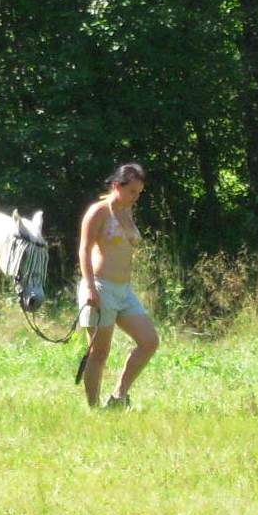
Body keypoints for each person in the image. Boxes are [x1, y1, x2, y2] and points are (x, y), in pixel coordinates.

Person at [77, 162, 159, 409]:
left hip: (124, 291)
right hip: (100, 287)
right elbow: (84, 249)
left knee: (149, 341)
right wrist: (90, 287)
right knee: (99, 352)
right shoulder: (99, 212)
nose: (136, 197)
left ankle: (118, 396)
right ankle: (94, 408)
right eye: (132, 191)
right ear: (116, 186)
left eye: (139, 192)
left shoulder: (127, 211)